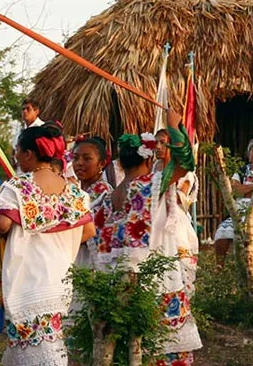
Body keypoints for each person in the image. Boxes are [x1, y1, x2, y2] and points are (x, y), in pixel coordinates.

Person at [96, 111, 202, 363]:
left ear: (120, 164)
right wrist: (175, 127)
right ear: (149, 157)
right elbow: (186, 162)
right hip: (157, 277)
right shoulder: (152, 185)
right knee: (163, 349)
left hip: (122, 283)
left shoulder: (110, 197)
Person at [0, 125, 95, 365]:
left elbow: (3, 224)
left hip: (27, 280)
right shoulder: (75, 192)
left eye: (18, 150)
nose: (16, 156)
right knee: (46, 342)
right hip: (59, 279)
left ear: (29, 154)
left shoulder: (16, 187)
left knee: (36, 348)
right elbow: (88, 230)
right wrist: (58, 240)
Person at [70, 136, 113, 270]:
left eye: (87, 159)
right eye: (76, 158)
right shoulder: (74, 189)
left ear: (101, 163)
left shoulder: (104, 192)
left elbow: (94, 231)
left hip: (93, 261)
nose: (79, 163)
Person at [12, 99, 45, 174]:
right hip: (19, 171)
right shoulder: (19, 130)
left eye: (28, 109)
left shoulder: (43, 128)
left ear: (36, 111)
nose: (25, 111)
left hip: (36, 171)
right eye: (23, 109)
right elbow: (14, 149)